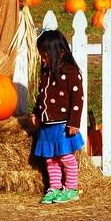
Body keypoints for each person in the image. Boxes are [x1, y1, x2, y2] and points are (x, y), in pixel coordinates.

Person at [30, 30, 85, 204]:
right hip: (47, 124)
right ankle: (54, 188)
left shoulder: (70, 72)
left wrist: (74, 122)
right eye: (42, 56)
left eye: (45, 55)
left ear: (59, 52)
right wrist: (37, 113)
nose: (43, 59)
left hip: (62, 124)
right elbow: (42, 96)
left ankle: (71, 189)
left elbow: (78, 99)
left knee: (65, 157)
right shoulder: (46, 72)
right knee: (50, 159)